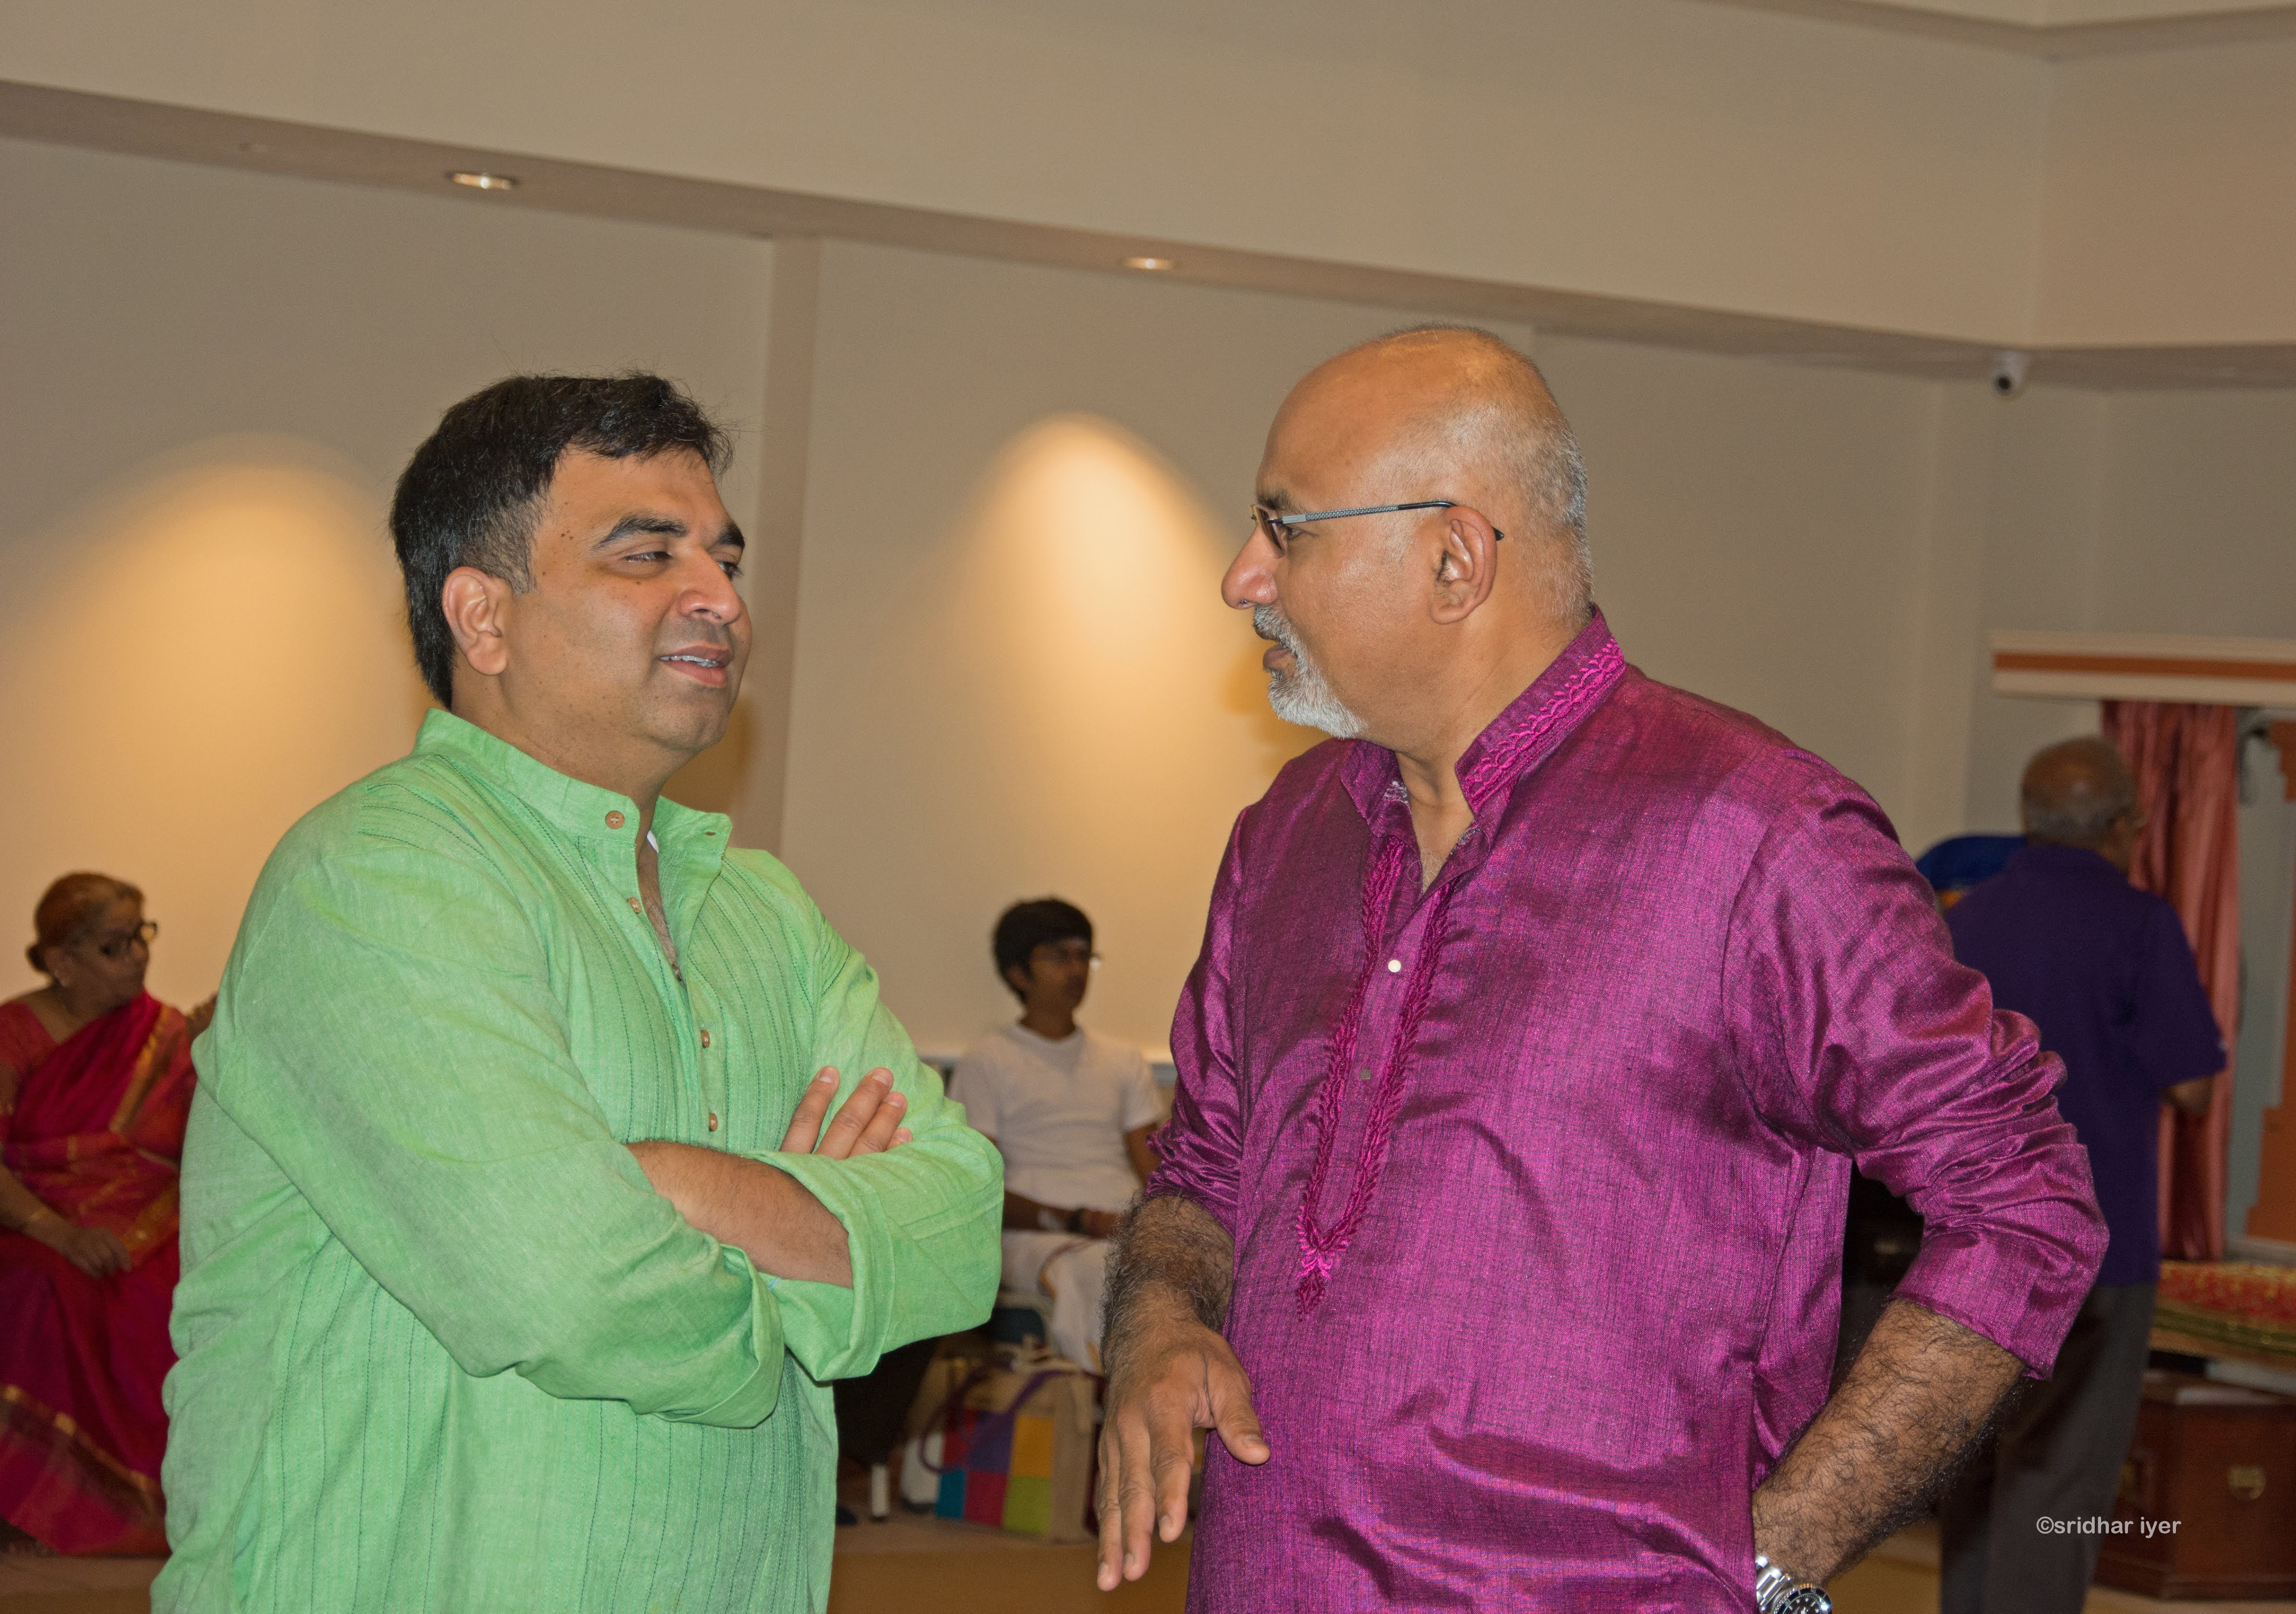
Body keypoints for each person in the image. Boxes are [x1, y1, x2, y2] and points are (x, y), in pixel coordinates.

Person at [1095, 326, 2107, 1610]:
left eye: (1282, 528)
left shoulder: (1753, 838)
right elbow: (1202, 1171)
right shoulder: (1286, 837)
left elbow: (2021, 1198)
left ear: (1455, 560)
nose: (1242, 576)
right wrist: (1161, 1322)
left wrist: (1774, 1557)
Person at [156, 374, 1002, 1613]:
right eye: (647, 554)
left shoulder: (766, 908)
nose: (721, 598)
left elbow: (961, 1227)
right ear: (482, 616)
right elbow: (570, 1290)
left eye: (724, 558)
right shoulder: (379, 873)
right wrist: (820, 1275)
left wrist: (671, 1181)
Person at [1936, 736, 2223, 1614]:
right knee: (2060, 1471)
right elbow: (2192, 1084)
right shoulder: (2140, 923)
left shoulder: (1964, 918)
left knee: (1973, 1458)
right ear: (2120, 825)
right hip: (2094, 1245)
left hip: (1967, 1239)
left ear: (2030, 819)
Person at [0, 875, 208, 1555]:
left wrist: (215, 1059)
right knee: (41, 1284)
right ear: (61, 961)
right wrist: (60, 1232)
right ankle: (30, 1503)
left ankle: (164, 1502)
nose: (138, 956)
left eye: (141, 935)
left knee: (189, 1290)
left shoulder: (166, 1035)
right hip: (34, 1221)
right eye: (113, 946)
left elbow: (197, 1146)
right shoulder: (14, 1033)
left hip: (153, 1225)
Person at [951, 899, 1161, 1369]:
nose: (1076, 969)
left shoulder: (1123, 1059)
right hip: (1034, 1234)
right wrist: (1079, 1220)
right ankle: (1118, 1393)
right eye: (1058, 956)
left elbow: (1155, 1169)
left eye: (1084, 955)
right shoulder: (987, 1061)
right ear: (1018, 974)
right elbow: (975, 1189)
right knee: (1099, 1270)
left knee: (1183, 1265)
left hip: (1122, 1224)